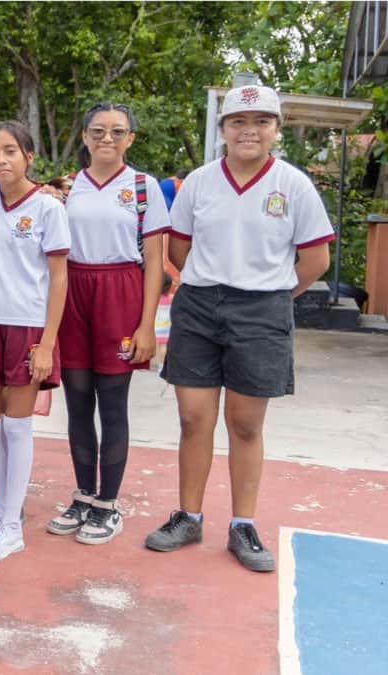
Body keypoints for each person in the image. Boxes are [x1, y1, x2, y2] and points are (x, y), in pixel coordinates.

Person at [145, 86, 333, 572]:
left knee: (246, 424)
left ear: (277, 127)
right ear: (223, 129)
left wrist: (272, 296)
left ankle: (242, 524)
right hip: (201, 306)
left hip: (263, 309)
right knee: (192, 418)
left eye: (261, 120)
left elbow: (315, 260)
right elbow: (179, 251)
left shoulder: (293, 185)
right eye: (238, 120)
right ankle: (188, 516)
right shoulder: (201, 184)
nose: (249, 129)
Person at [45, 103, 170, 546]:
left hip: (120, 291)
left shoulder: (143, 187)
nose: (107, 138)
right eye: (98, 130)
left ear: (131, 139)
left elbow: (155, 261)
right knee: (78, 402)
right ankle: (82, 494)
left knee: (113, 403)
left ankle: (107, 503)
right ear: (84, 136)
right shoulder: (64, 187)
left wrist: (146, 326)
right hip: (73, 289)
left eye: (118, 131)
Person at [0, 121, 70, 562]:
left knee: (15, 425)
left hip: (27, 327)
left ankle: (11, 525)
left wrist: (47, 344)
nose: (1, 160)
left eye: (10, 151)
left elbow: (59, 280)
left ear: (29, 156)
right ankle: (3, 514)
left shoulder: (47, 208)